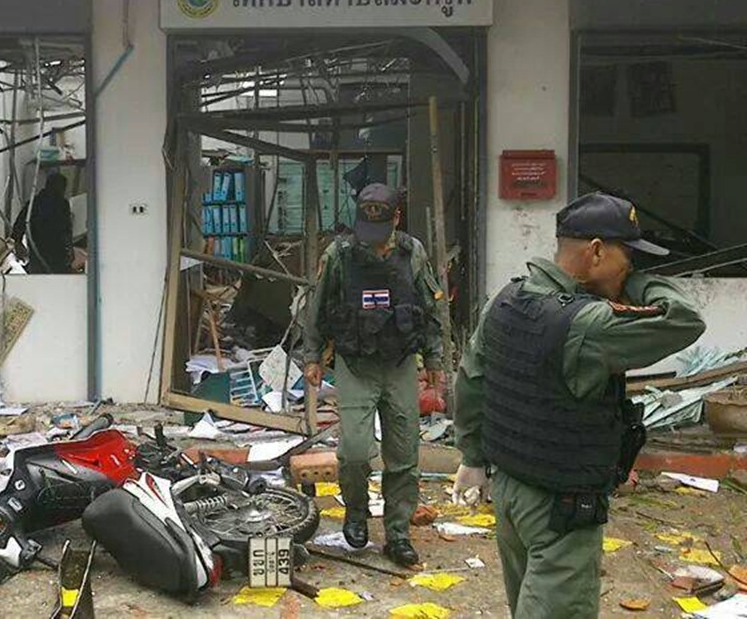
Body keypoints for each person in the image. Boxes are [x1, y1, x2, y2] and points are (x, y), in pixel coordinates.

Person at [452, 192, 706, 619]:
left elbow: (471, 380)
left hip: (510, 489)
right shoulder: (588, 323)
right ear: (597, 252)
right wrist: (634, 284)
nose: (631, 267)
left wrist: (472, 457)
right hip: (561, 504)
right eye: (629, 258)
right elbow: (684, 318)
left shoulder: (508, 298)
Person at [303, 183, 445, 568]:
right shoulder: (340, 254)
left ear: (396, 218)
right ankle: (356, 511)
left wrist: (435, 361)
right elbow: (317, 308)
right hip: (356, 365)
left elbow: (430, 310)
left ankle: (397, 533)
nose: (373, 240)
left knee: (403, 455)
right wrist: (312, 356)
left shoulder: (412, 253)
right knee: (353, 452)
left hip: (400, 365)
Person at [11, 172, 74, 274]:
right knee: (57, 275)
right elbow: (66, 229)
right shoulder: (62, 204)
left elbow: (19, 224)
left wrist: (18, 241)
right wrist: (70, 248)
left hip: (37, 247)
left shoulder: (34, 202)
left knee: (39, 274)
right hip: (56, 249)